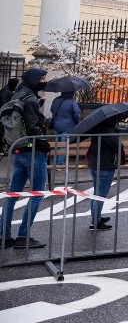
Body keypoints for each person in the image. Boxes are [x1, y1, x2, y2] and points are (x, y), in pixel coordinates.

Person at [1, 68, 49, 248]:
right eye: (42, 78)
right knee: (37, 194)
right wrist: (45, 144)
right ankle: (23, 236)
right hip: (34, 152)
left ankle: (3, 236)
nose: (45, 80)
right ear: (34, 80)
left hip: (18, 150)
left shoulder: (18, 95)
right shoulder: (29, 99)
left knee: (12, 194)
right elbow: (33, 126)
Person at [79, 115, 122, 231]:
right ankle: (96, 222)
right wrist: (116, 133)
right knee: (100, 194)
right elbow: (118, 145)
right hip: (105, 165)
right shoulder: (108, 131)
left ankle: (96, 218)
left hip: (95, 164)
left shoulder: (98, 129)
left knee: (96, 193)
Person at [49, 90, 81, 166]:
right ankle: (60, 164)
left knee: (58, 144)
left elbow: (52, 110)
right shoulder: (72, 101)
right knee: (64, 145)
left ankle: (56, 162)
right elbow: (77, 114)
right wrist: (78, 123)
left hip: (56, 125)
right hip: (68, 126)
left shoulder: (56, 100)